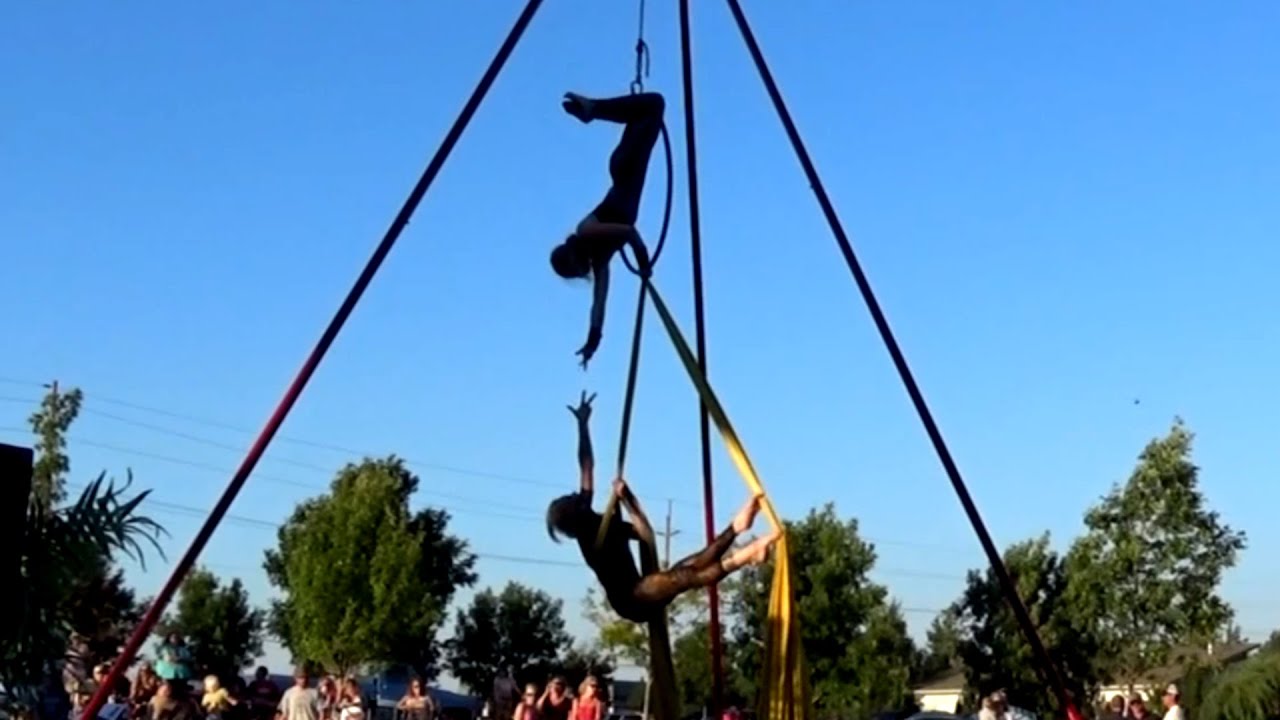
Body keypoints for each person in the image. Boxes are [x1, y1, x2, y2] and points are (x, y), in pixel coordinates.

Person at [546, 392, 780, 623]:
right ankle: (745, 556)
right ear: (575, 514)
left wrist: (583, 425)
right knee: (684, 577)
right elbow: (643, 532)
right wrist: (627, 501)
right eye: (571, 498)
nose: (575, 493)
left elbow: (587, 466)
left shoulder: (585, 512)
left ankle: (737, 528)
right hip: (632, 601)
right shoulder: (592, 542)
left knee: (691, 566)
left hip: (644, 586)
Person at [550, 92, 662, 368]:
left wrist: (643, 262)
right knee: (646, 110)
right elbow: (599, 305)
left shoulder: (586, 231)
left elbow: (628, 233)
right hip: (626, 167)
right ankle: (593, 110)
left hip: (626, 169)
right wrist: (592, 342)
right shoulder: (599, 261)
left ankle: (593, 109)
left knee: (653, 105)